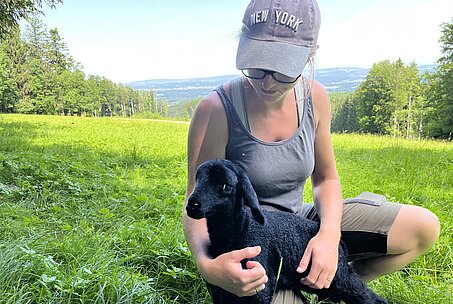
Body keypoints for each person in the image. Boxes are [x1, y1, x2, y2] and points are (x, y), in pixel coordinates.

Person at [182, 0, 440, 303]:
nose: (266, 82)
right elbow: (196, 201)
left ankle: (330, 282)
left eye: (283, 70)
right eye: (257, 64)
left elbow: (325, 178)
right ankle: (292, 285)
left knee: (424, 228)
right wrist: (208, 267)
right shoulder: (216, 110)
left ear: (310, 54)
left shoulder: (315, 97)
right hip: (248, 239)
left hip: (302, 222)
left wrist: (329, 239)